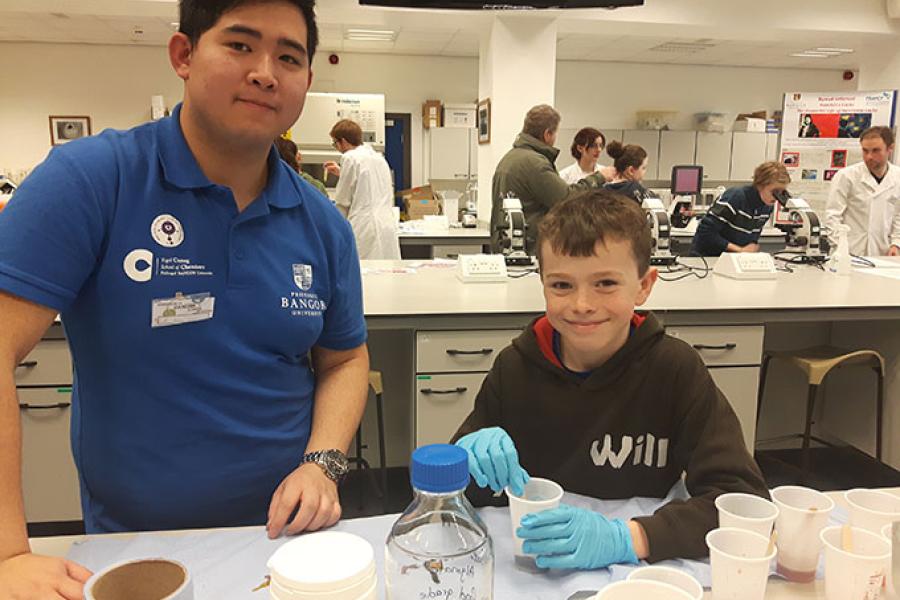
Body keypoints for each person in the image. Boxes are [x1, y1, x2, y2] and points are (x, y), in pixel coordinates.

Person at [0, 1, 370, 597]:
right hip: (137, 549)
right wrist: (8, 553)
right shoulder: (95, 179)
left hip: (289, 544)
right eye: (241, 45)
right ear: (183, 55)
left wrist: (322, 463)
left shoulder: (321, 223)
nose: (266, 72)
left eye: (290, 57)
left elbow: (344, 359)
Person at [453, 190, 768, 568]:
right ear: (542, 284)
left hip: (643, 573)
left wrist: (628, 538)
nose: (582, 304)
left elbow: (743, 503)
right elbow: (455, 497)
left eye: (605, 284)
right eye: (561, 285)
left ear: (644, 285)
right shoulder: (515, 368)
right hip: (531, 563)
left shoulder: (675, 370)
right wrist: (463, 464)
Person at [490, 104, 606, 254]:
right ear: (547, 134)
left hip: (507, 244)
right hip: (528, 248)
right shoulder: (535, 163)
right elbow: (567, 199)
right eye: (555, 133)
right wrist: (599, 178)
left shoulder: (510, 158)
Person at [324, 119, 401, 260]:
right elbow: (369, 183)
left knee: (364, 273)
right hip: (386, 225)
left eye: (335, 143)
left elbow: (343, 200)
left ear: (343, 141)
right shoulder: (378, 158)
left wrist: (333, 228)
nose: (337, 147)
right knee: (386, 271)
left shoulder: (349, 157)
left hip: (365, 226)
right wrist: (342, 173)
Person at [825, 126, 900, 256]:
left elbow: (898, 217)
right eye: (865, 151)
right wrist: (841, 247)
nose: (869, 156)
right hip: (849, 252)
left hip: (884, 253)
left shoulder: (897, 177)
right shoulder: (846, 176)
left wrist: (896, 243)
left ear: (890, 149)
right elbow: (832, 217)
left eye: (876, 151)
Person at [691, 161, 790, 256]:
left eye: (781, 192)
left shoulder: (767, 206)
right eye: (775, 192)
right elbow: (705, 231)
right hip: (707, 257)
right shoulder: (735, 197)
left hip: (733, 259)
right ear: (760, 185)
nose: (777, 198)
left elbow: (751, 237)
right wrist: (740, 250)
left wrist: (751, 247)